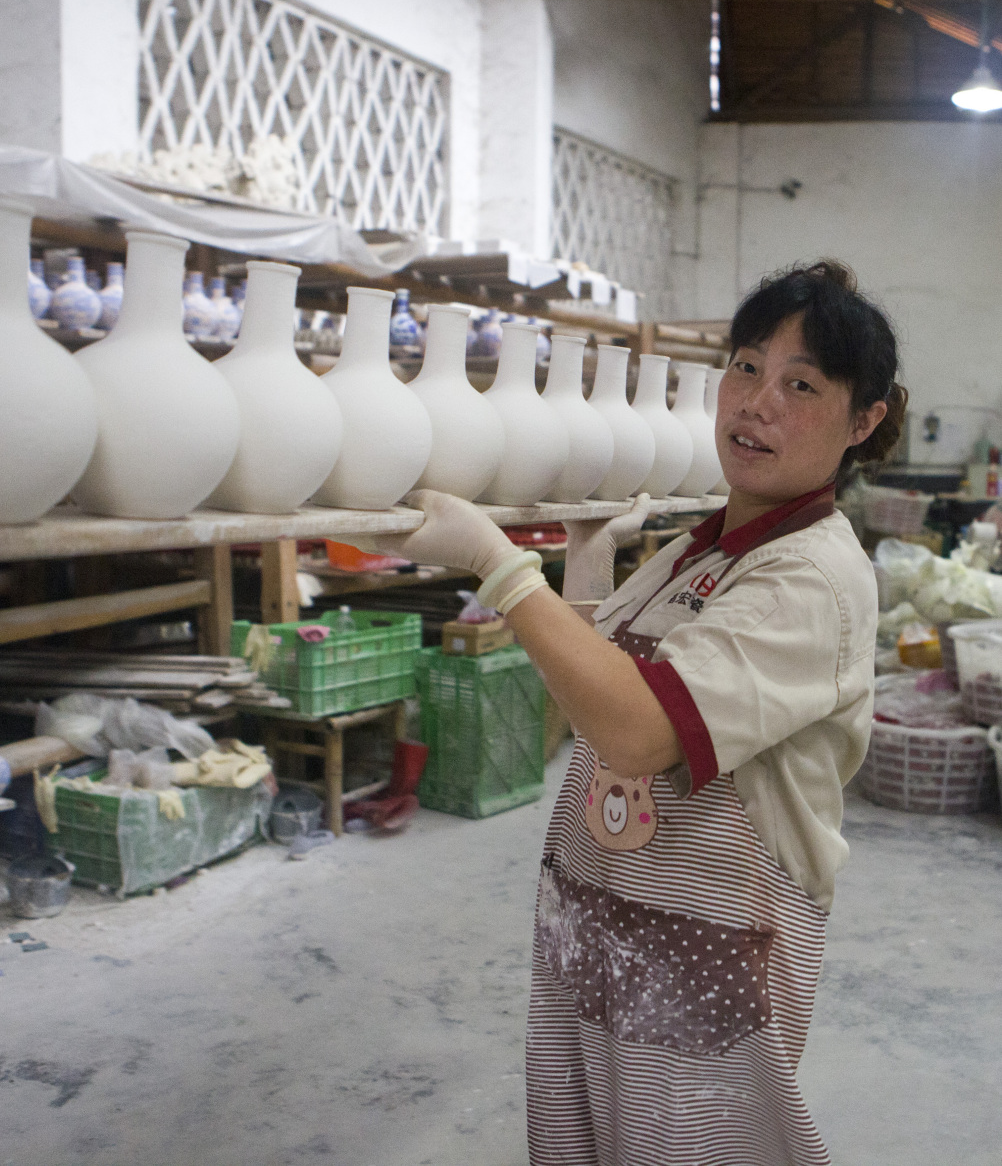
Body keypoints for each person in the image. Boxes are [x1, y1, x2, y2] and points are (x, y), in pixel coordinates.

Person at [340, 260, 906, 1165]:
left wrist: (499, 564)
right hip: (607, 921)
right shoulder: (703, 547)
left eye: (801, 384)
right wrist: (590, 572)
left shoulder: (811, 577)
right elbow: (596, 679)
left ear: (864, 419)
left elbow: (639, 732)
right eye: (747, 367)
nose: (756, 403)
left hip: (709, 945)